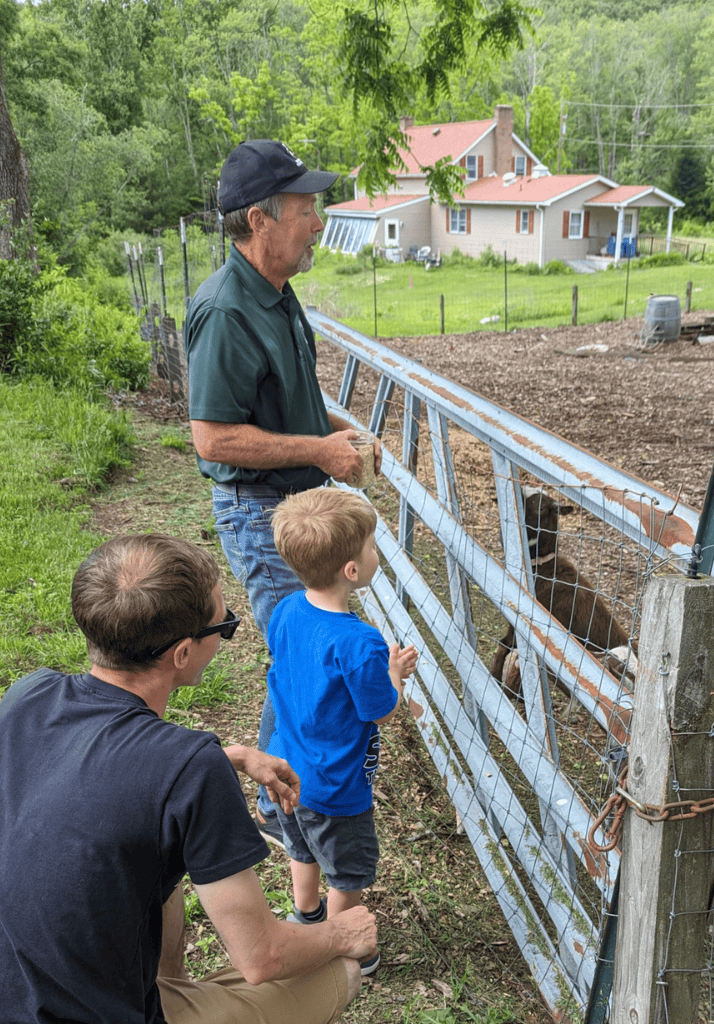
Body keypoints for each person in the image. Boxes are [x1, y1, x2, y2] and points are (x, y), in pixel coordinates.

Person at [0, 533, 377, 1024]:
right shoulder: (189, 766)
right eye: (225, 624)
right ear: (182, 654)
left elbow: (108, 773)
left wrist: (234, 755)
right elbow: (262, 958)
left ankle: (165, 988)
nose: (226, 632)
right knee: (340, 966)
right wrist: (343, 932)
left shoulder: (29, 694)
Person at [184, 139, 381, 842]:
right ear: (259, 219)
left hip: (288, 498)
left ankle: (283, 795)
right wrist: (318, 453)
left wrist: (338, 429)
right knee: (304, 650)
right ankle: (284, 808)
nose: (319, 221)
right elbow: (213, 439)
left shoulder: (276, 291)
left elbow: (283, 399)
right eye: (306, 208)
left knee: (299, 648)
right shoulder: (227, 310)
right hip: (259, 506)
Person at [266, 489, 418, 975]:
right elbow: (380, 710)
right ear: (352, 571)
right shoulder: (359, 642)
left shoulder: (287, 609)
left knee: (300, 846)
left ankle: (305, 914)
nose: (377, 553)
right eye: (372, 546)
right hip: (335, 786)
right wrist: (393, 673)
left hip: (286, 766)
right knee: (346, 874)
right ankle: (346, 948)